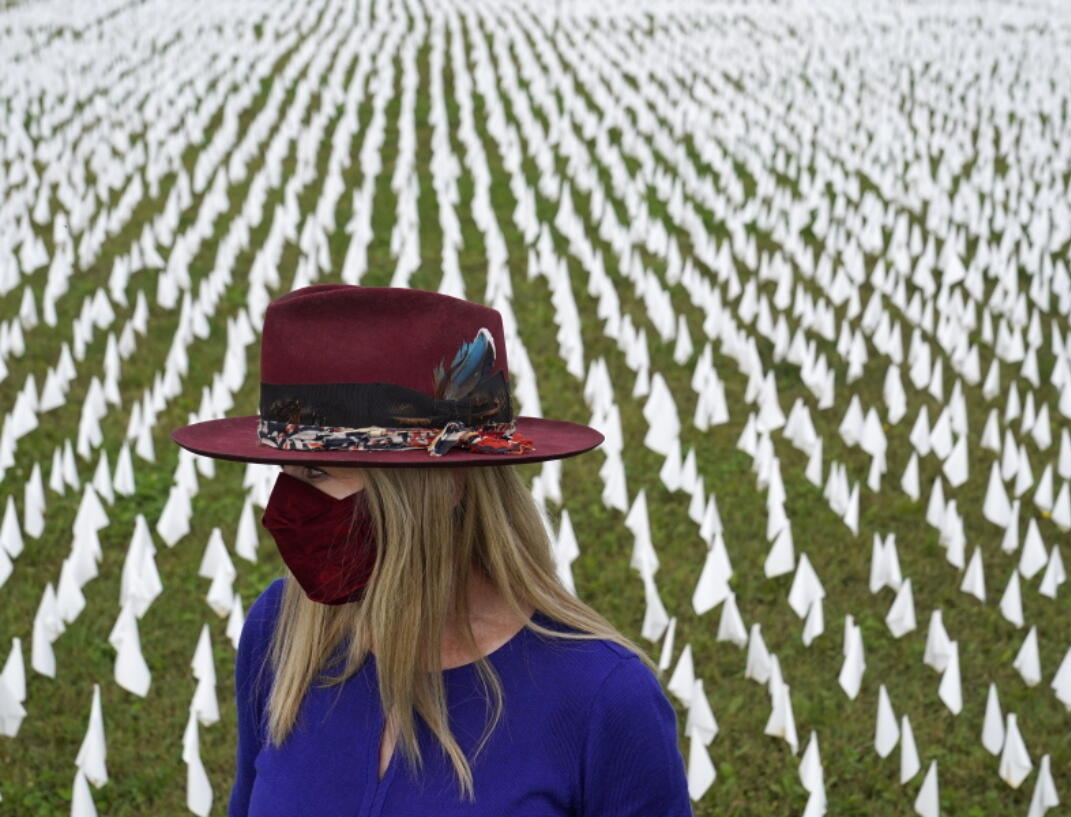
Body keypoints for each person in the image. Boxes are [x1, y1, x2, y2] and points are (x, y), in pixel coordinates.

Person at [169, 284, 693, 816]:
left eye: (316, 473)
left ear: (441, 488)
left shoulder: (602, 698)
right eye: (284, 473)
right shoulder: (283, 630)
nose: (283, 508)